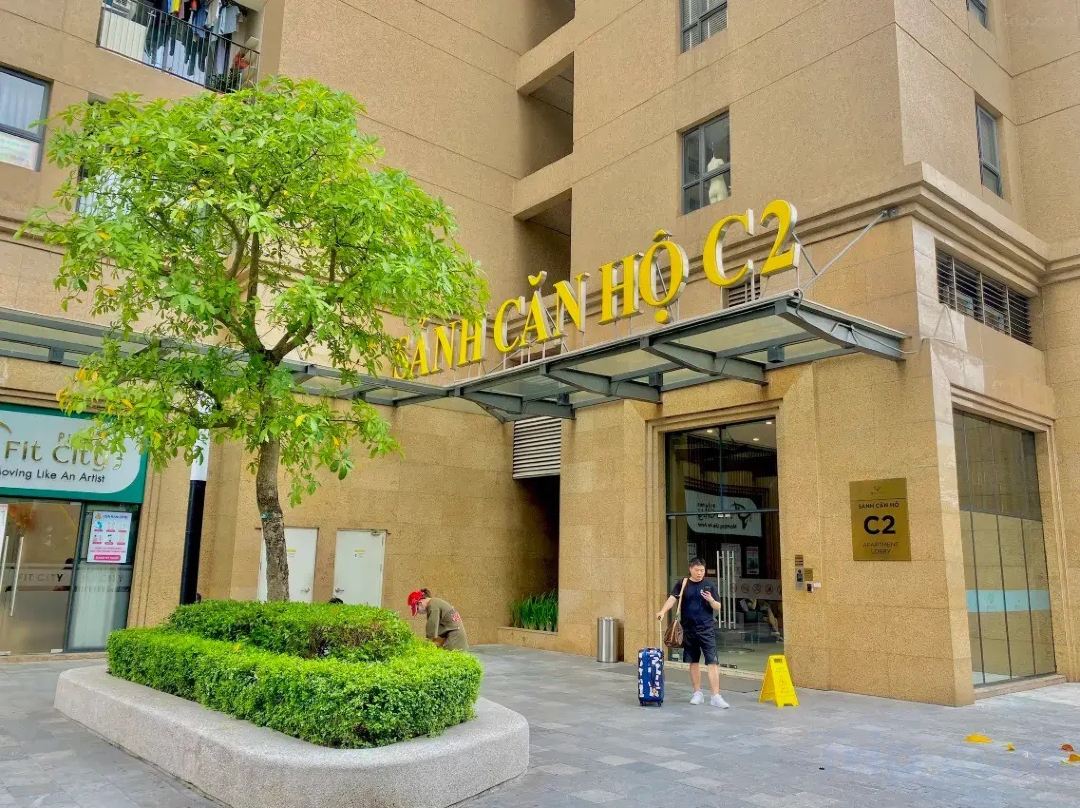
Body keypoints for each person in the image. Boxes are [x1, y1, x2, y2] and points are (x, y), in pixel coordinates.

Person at [656, 558, 729, 709]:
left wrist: (711, 600)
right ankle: (697, 693)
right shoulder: (683, 583)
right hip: (688, 629)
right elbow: (672, 599)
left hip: (706, 629)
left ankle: (716, 696)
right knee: (693, 661)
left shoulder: (709, 585)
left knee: (712, 661)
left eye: (702, 570)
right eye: (697, 570)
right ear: (690, 569)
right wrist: (662, 611)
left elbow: (718, 606)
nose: (700, 573)